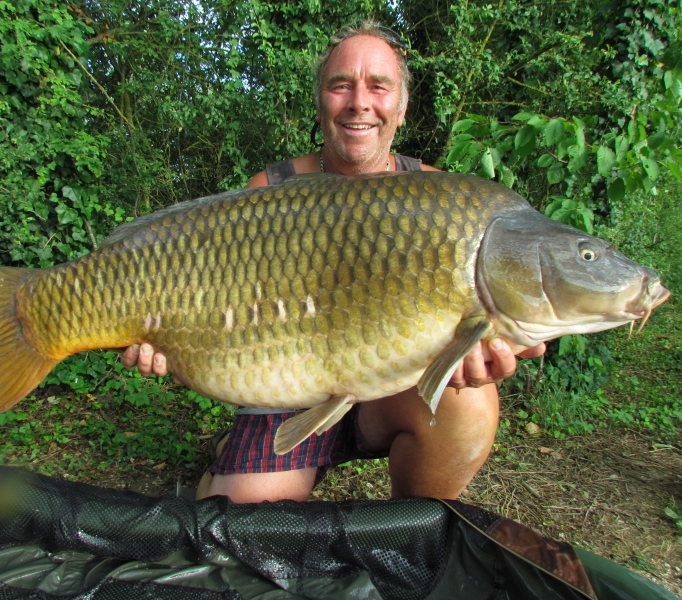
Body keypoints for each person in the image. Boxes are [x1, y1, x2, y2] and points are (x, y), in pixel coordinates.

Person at [122, 21, 546, 503]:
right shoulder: (272, 189)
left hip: (390, 392)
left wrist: (474, 355)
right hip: (289, 390)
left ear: (402, 108)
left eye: (379, 87)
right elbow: (221, 310)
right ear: (321, 101)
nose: (359, 102)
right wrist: (170, 340)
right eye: (341, 85)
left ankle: (407, 529)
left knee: (471, 407)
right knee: (242, 526)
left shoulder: (440, 199)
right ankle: (232, 461)